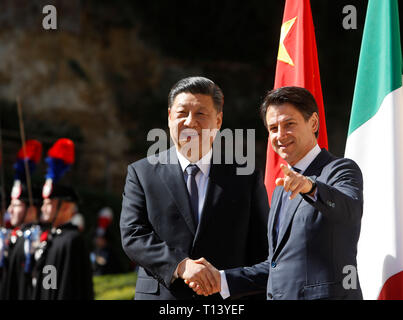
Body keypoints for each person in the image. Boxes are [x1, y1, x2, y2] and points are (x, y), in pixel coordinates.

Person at [188, 86, 364, 300]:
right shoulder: (282, 187)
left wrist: (311, 186)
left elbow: (349, 209)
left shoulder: (340, 169)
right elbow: (278, 265)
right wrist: (222, 280)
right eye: (273, 128)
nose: (280, 135)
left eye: (289, 124)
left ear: (314, 123)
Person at [120, 76, 269, 300]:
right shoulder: (142, 173)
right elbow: (133, 235)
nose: (190, 122)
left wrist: (228, 282)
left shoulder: (245, 177)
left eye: (200, 113)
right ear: (170, 117)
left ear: (218, 121)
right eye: (182, 113)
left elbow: (262, 250)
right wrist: (180, 265)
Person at [32, 138, 94, 300]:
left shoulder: (72, 240)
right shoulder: (52, 237)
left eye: (49, 203)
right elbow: (47, 284)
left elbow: (69, 288)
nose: (43, 208)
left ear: (65, 207)